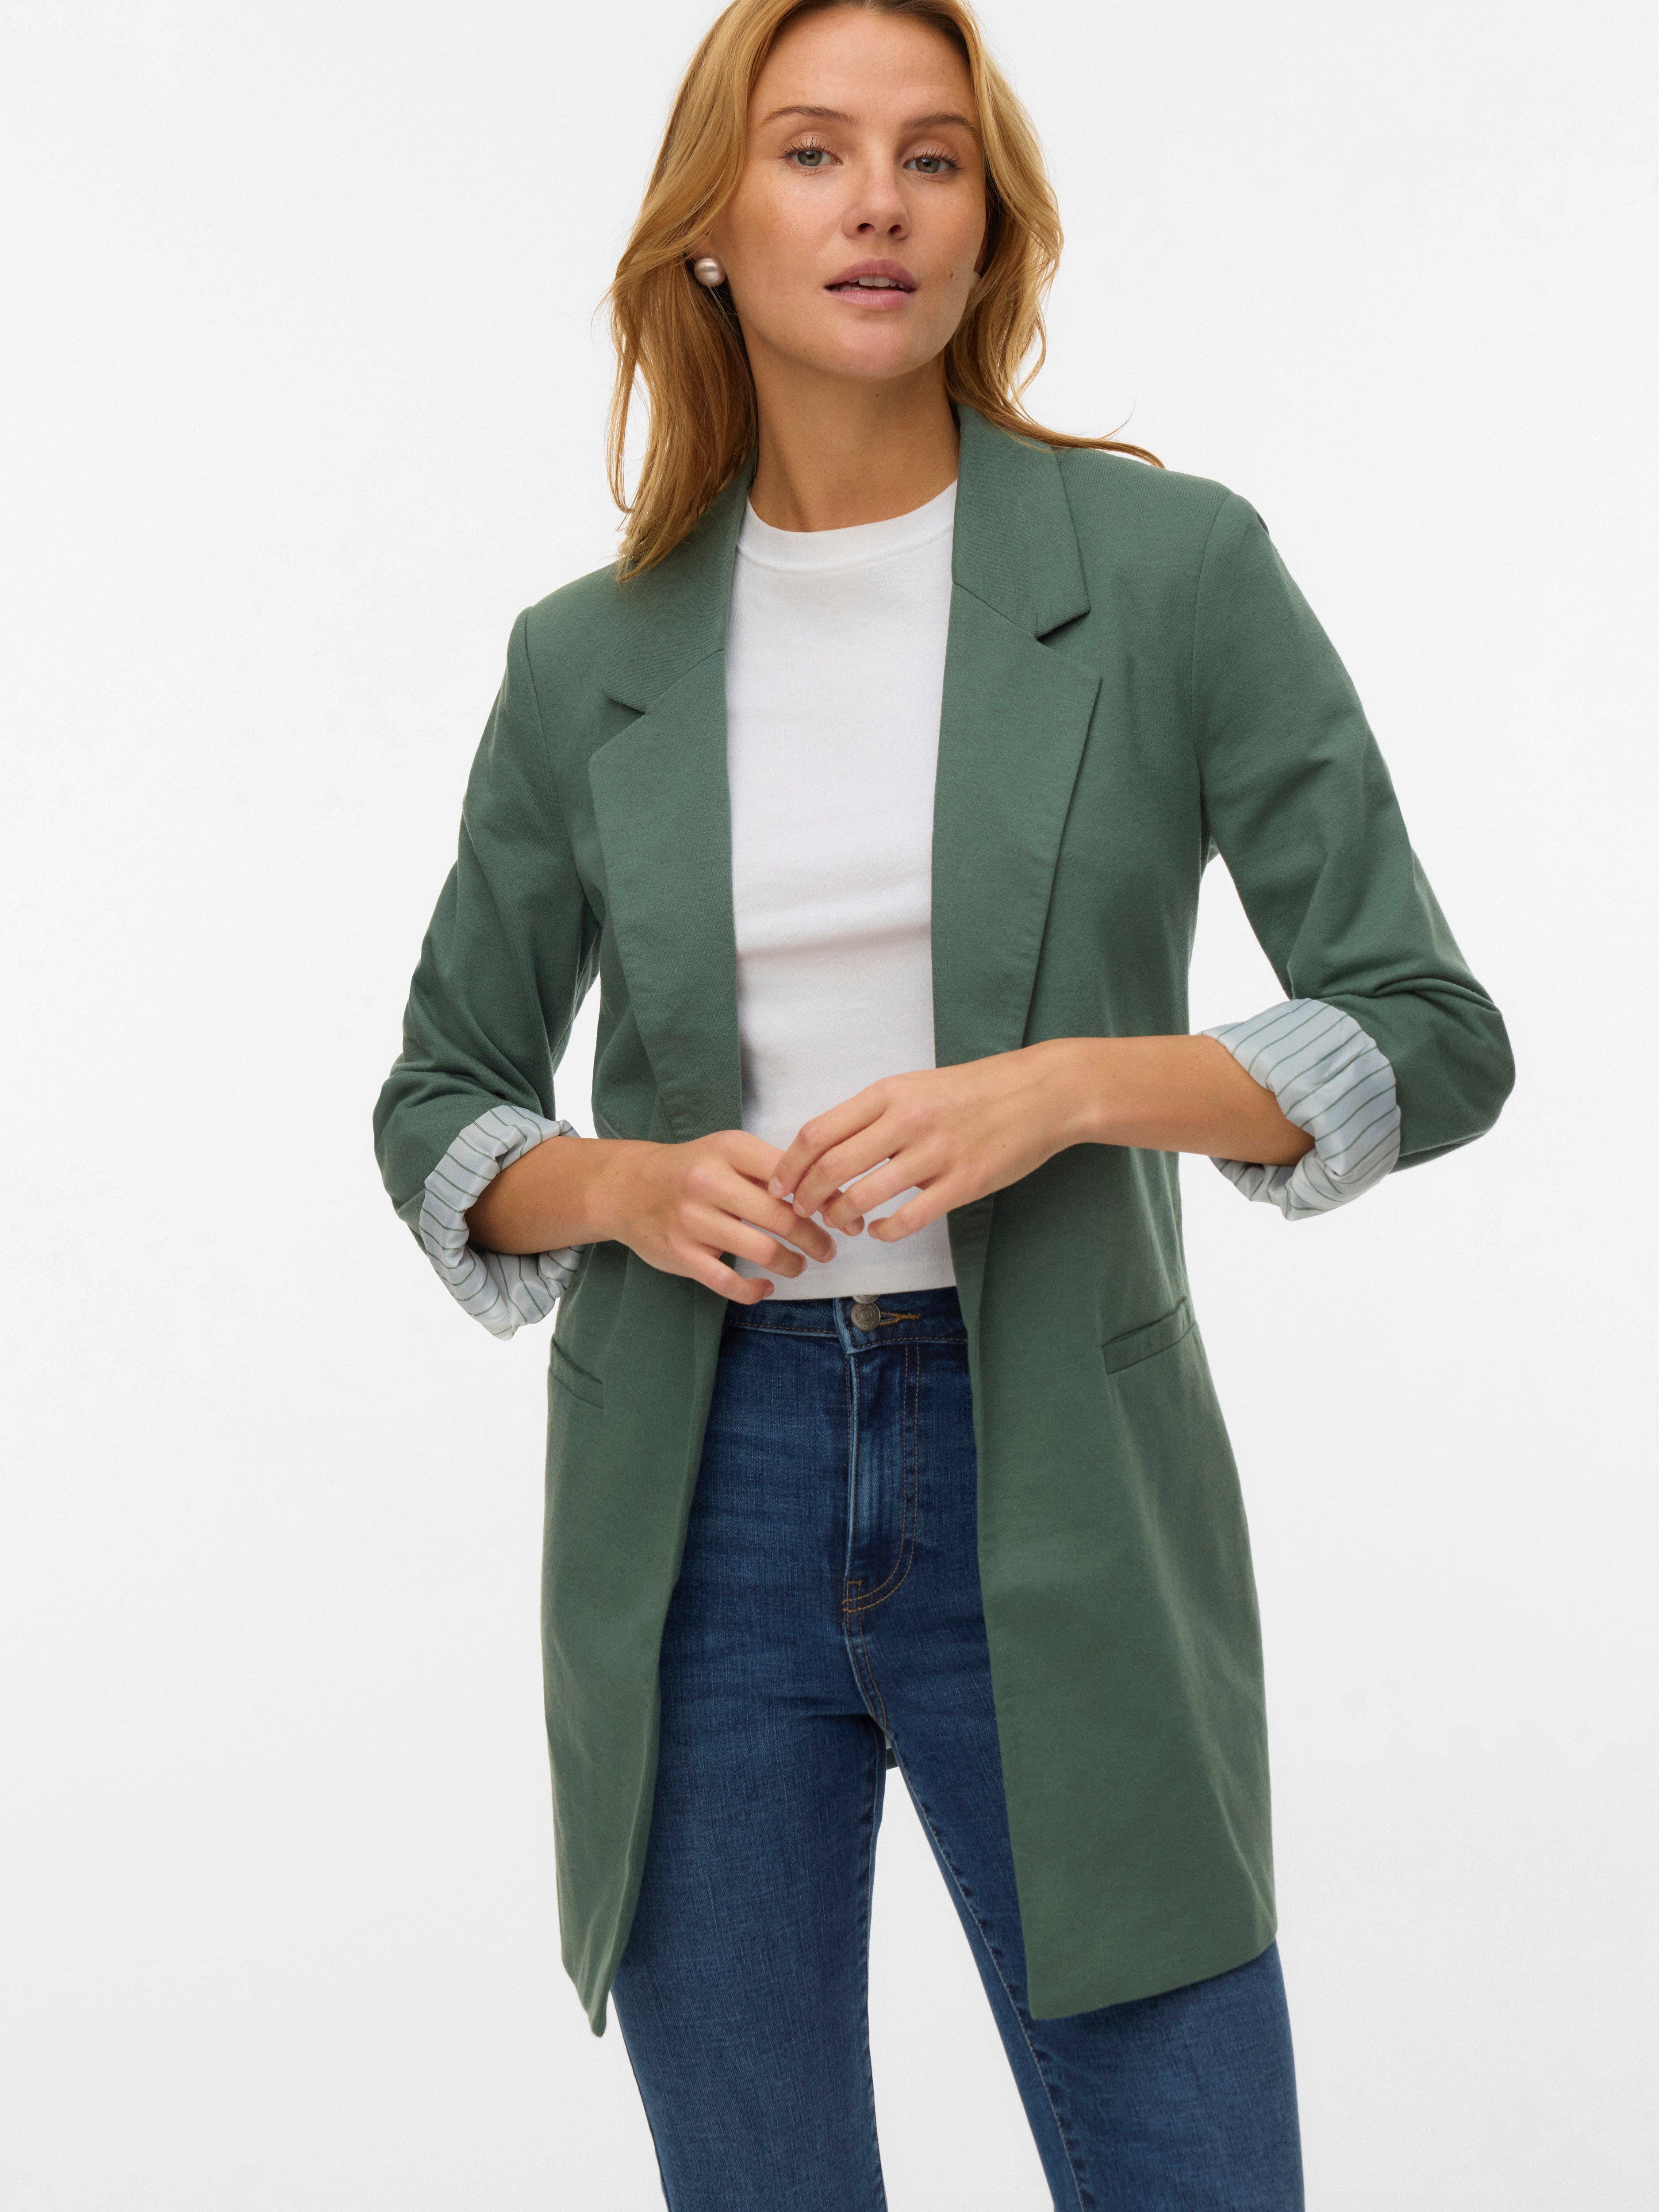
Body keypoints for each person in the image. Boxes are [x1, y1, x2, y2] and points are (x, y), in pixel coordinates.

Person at [373, 0, 1513, 2203]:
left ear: (990, 223)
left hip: (1051, 1458)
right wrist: (621, 1185)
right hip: (694, 1492)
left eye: (931, 157)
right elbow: (441, 1094)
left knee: (1194, 2160)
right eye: (811, 151)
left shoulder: (1170, 572)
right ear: (711, 224)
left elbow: (1426, 1023)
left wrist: (1065, 1090)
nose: (876, 204)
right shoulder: (584, 653)